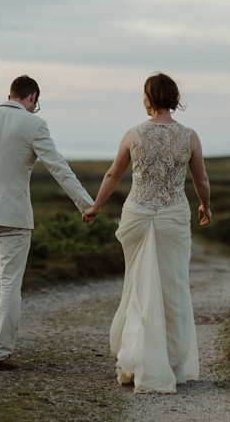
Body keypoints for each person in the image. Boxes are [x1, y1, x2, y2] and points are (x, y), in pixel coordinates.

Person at [0, 75, 95, 371]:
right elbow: (58, 168)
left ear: (10, 94)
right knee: (10, 281)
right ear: (32, 97)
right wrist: (86, 204)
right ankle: (1, 352)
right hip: (14, 213)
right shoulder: (34, 124)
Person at [82, 72, 212, 393]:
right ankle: (169, 364)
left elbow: (114, 174)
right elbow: (201, 180)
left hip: (138, 215)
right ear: (173, 98)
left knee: (140, 287)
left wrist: (96, 206)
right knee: (172, 287)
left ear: (149, 99)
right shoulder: (189, 136)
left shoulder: (133, 134)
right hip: (173, 217)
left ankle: (139, 357)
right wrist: (206, 207)